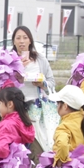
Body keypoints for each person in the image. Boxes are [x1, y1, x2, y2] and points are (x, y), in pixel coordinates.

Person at [11, 26, 57, 159]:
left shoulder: (40, 60)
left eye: (25, 38)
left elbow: (52, 83)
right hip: (14, 109)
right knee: (15, 148)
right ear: (13, 41)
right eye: (18, 38)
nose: (22, 41)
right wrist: (18, 68)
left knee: (36, 148)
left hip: (35, 110)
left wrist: (42, 84)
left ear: (30, 41)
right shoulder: (7, 61)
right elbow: (3, 85)